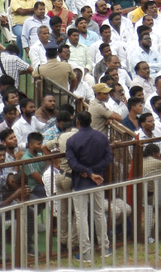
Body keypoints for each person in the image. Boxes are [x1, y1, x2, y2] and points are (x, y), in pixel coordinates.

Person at [66, 110, 112, 261]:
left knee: (81, 216)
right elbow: (108, 158)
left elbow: (72, 163)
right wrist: (93, 173)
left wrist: (87, 172)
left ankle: (86, 252)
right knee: (99, 213)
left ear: (77, 122)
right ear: (91, 120)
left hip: (81, 181)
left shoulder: (72, 140)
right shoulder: (101, 137)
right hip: (98, 179)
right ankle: (105, 247)